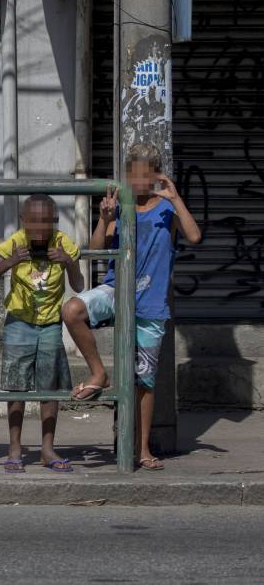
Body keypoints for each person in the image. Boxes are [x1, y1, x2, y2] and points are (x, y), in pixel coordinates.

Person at [62, 143, 201, 471]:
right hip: (116, 291)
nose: (137, 181)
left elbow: (194, 236)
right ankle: (99, 372)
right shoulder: (121, 206)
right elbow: (95, 251)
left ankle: (141, 449)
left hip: (151, 304)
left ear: (154, 175)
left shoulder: (167, 209)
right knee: (72, 310)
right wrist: (104, 219)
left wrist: (175, 197)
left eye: (145, 174)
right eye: (132, 174)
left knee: (144, 382)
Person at [0, 194, 84, 473]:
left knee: (48, 388)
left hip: (50, 324)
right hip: (19, 322)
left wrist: (68, 262)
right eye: (33, 221)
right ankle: (14, 447)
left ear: (54, 221)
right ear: (23, 221)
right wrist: (11, 261)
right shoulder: (15, 241)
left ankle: (47, 449)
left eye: (46, 221)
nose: (39, 228)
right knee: (16, 388)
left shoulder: (63, 243)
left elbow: (79, 284)